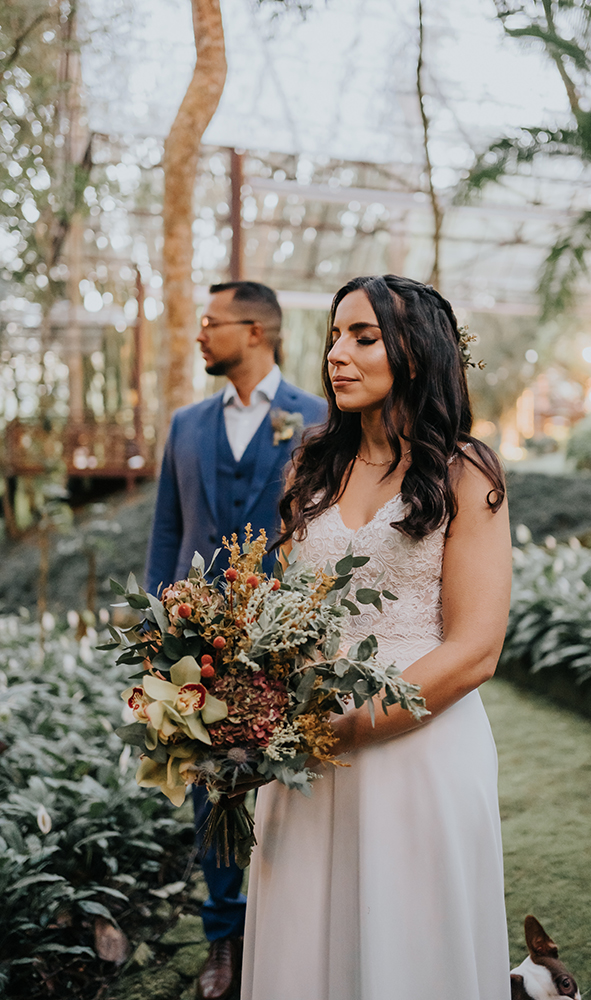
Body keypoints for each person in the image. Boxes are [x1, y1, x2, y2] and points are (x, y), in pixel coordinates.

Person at [240, 274, 513, 1000]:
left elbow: (477, 647)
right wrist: (246, 703)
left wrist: (354, 726)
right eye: (334, 335)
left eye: (362, 338)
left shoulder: (463, 470)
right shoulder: (309, 464)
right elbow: (289, 612)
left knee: (410, 949)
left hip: (419, 745)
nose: (338, 353)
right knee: (306, 943)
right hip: (306, 751)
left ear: (414, 354)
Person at [144, 280, 327, 1000]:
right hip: (198, 646)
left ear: (256, 332)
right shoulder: (186, 425)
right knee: (212, 794)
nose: (199, 334)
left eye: (211, 323)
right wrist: (160, 632)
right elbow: (166, 528)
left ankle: (293, 932)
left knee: (296, 789)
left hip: (288, 646)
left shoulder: (318, 418)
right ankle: (224, 941)